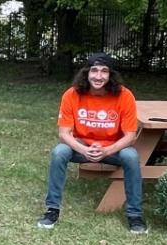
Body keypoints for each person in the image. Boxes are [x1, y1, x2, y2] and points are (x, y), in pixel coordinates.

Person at [38, 53, 148, 234]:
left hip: (113, 148)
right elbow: (63, 134)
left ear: (111, 75)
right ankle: (52, 210)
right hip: (82, 146)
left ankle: (135, 215)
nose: (98, 76)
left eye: (104, 71)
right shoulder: (72, 94)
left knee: (131, 155)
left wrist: (106, 151)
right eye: (94, 70)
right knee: (59, 152)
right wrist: (84, 149)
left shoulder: (124, 95)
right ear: (86, 73)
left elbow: (130, 136)